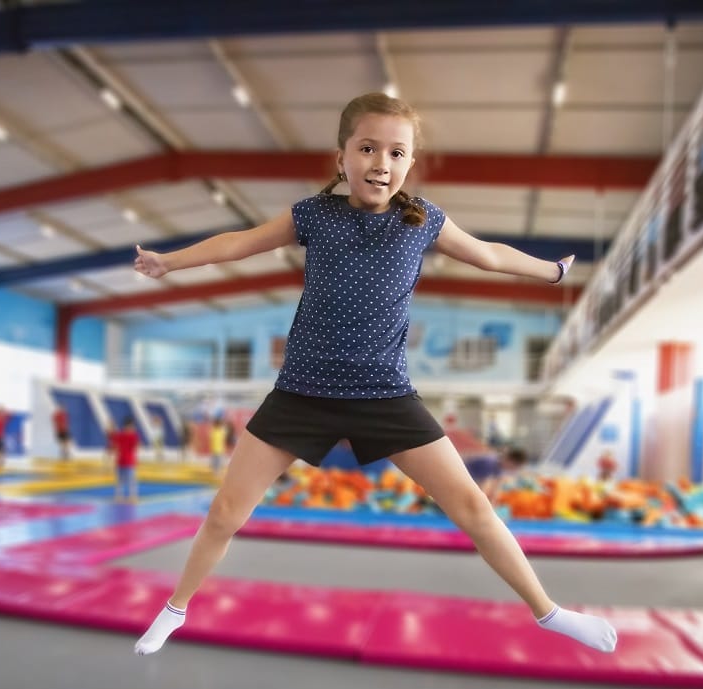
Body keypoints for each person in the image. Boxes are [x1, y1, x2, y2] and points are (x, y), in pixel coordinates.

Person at [132, 92, 616, 657]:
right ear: (341, 157)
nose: (380, 163)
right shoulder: (313, 215)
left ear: (410, 164)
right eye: (367, 148)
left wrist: (552, 273)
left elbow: (488, 255)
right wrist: (170, 262)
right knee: (225, 513)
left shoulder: (424, 222)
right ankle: (175, 609)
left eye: (395, 152)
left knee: (473, 507)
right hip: (301, 394)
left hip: (385, 395)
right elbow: (239, 244)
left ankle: (549, 612)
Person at [110, 417, 140, 502]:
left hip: (125, 461)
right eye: (132, 427)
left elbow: (114, 445)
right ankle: (129, 495)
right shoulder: (132, 435)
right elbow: (136, 447)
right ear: (129, 426)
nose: (132, 428)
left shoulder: (122, 435)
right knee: (126, 480)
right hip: (126, 461)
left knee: (123, 481)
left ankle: (126, 495)